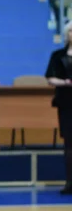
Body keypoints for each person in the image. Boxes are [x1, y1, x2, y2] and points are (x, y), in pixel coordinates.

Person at [45, 20, 72, 195]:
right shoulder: (58, 55)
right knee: (69, 144)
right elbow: (49, 78)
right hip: (67, 102)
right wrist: (64, 82)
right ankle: (70, 181)